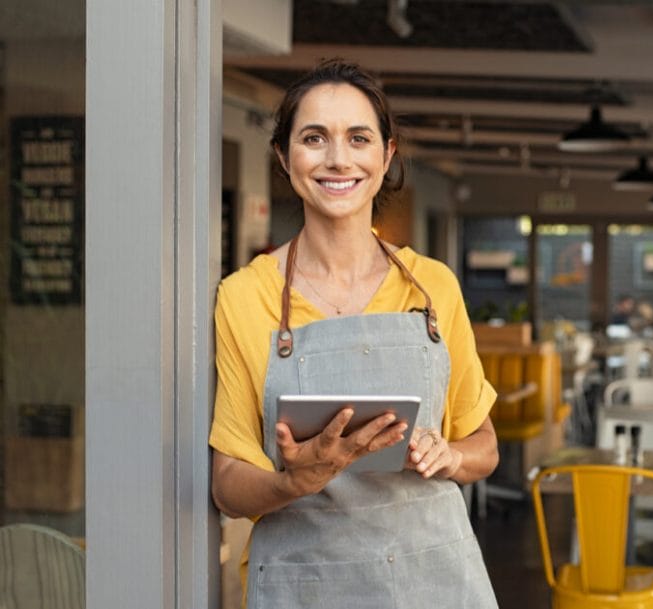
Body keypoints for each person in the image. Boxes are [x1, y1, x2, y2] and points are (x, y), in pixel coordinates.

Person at [209, 60, 499, 609]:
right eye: (314, 138)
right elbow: (226, 482)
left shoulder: (434, 287)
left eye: (358, 138)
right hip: (306, 586)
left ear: (385, 156)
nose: (338, 159)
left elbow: (483, 444)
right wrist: (294, 481)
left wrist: (450, 457)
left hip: (434, 579)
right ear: (283, 156)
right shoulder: (246, 297)